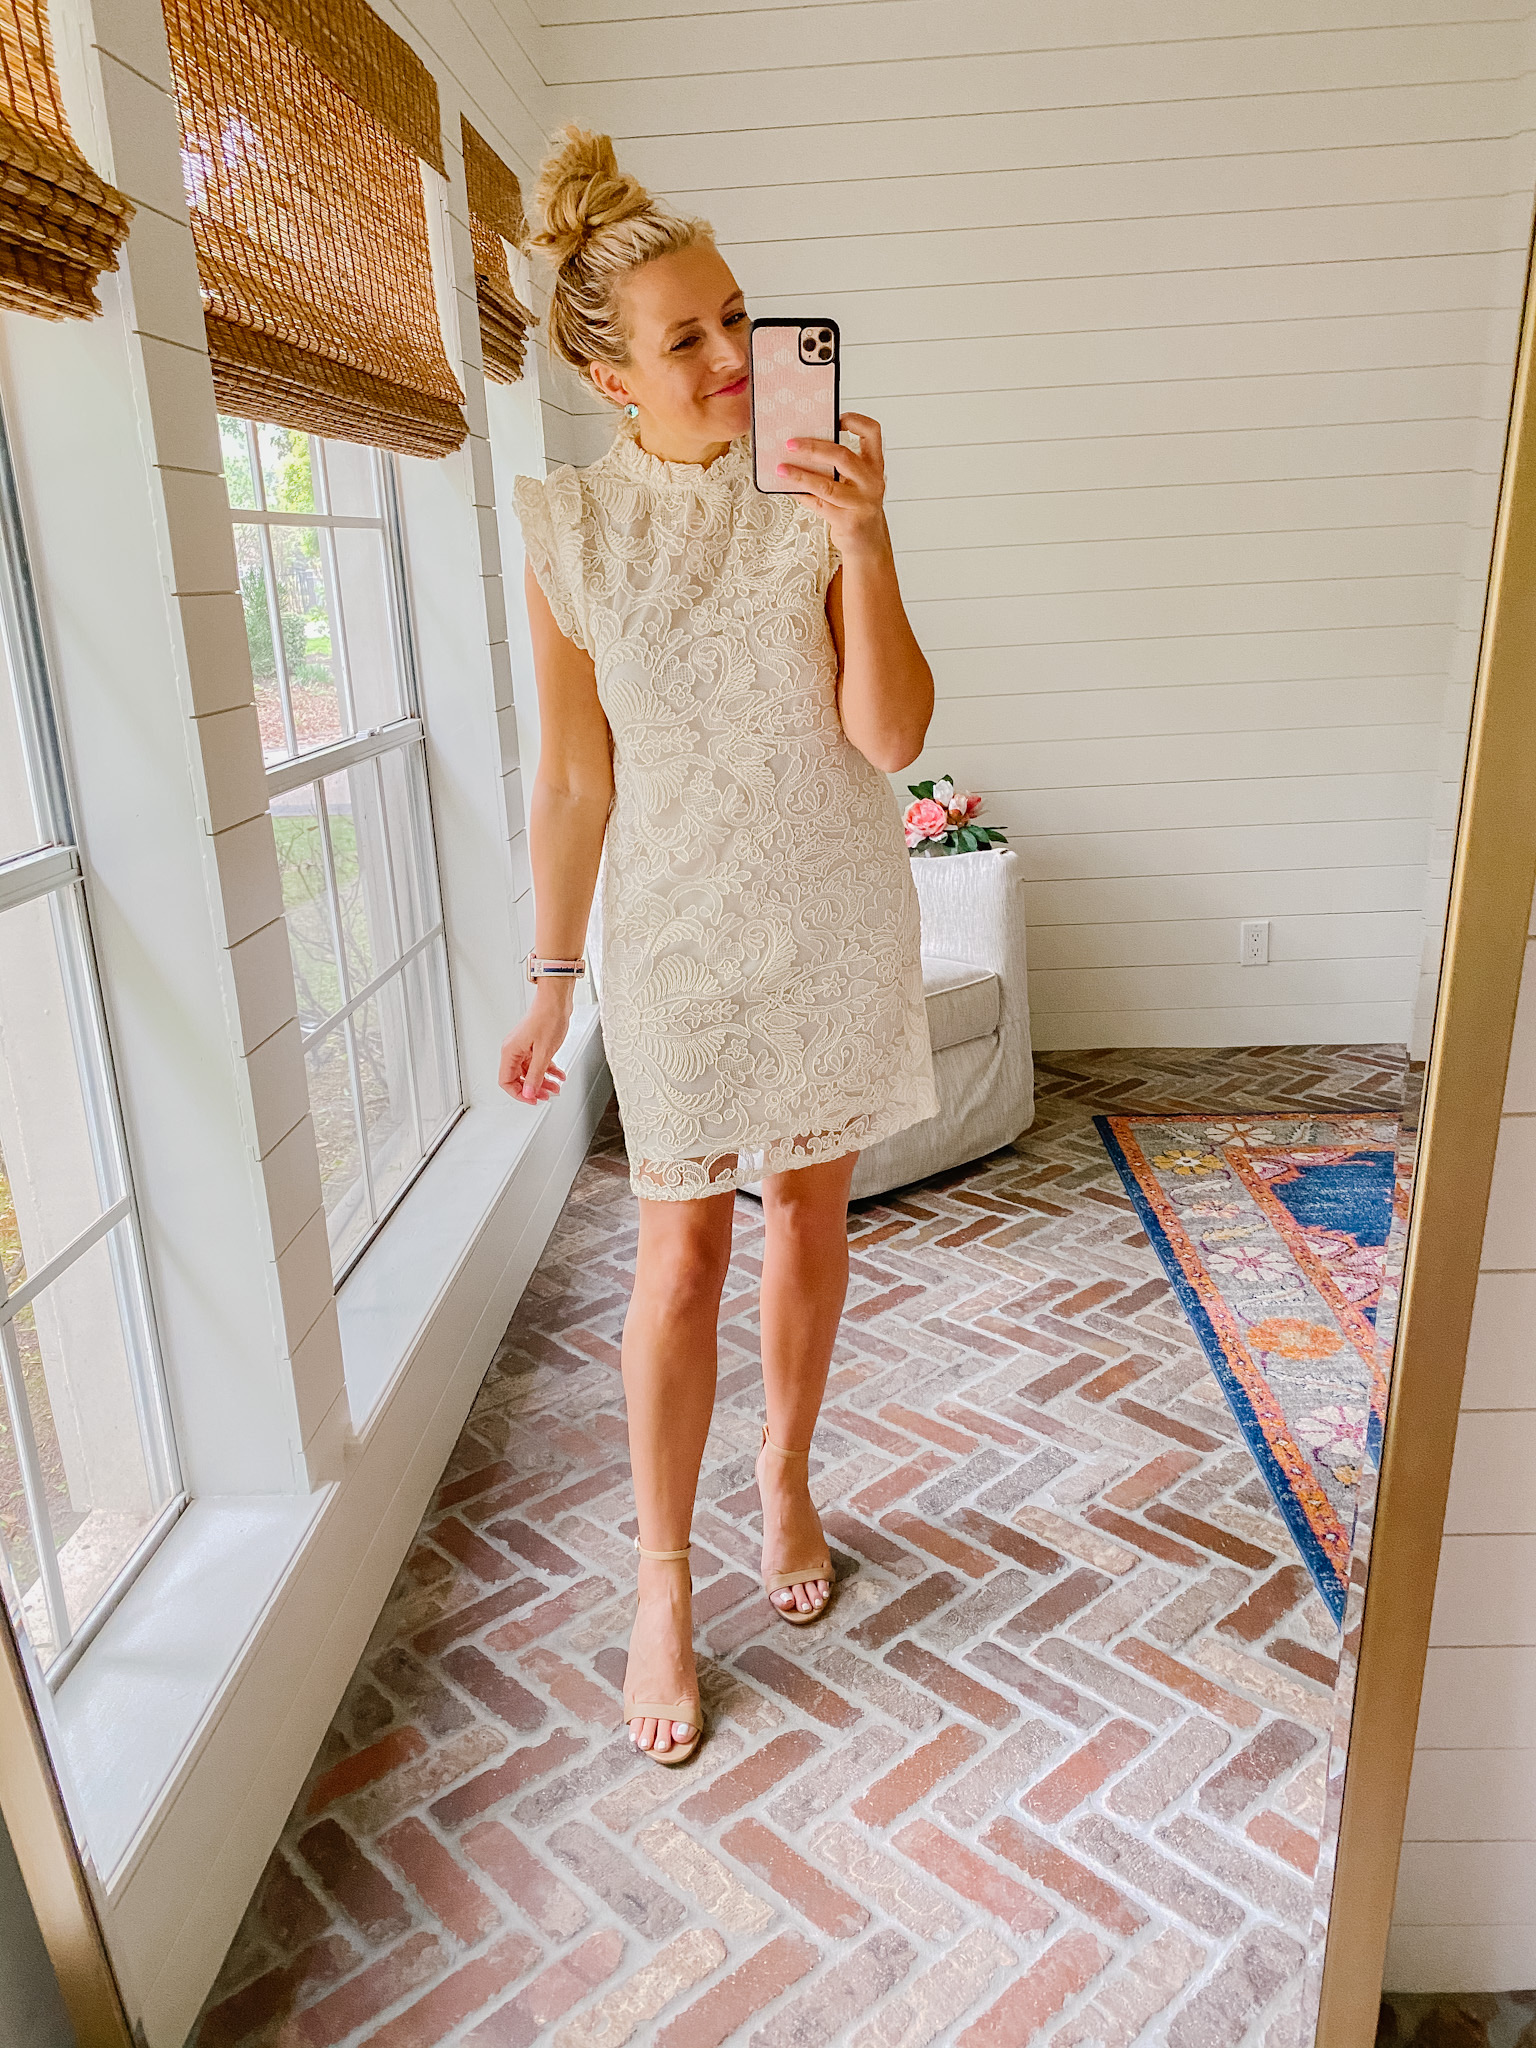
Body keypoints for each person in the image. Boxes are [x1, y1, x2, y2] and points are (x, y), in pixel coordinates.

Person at [499, 126, 938, 1765]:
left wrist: (868, 544)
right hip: (674, 936)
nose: (735, 357)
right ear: (613, 378)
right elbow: (571, 772)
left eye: (740, 318)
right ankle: (666, 1580)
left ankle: (789, 1471)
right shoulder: (566, 532)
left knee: (811, 1214)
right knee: (677, 1256)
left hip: (829, 905)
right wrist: (552, 976)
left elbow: (889, 737)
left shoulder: (809, 500)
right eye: (688, 337)